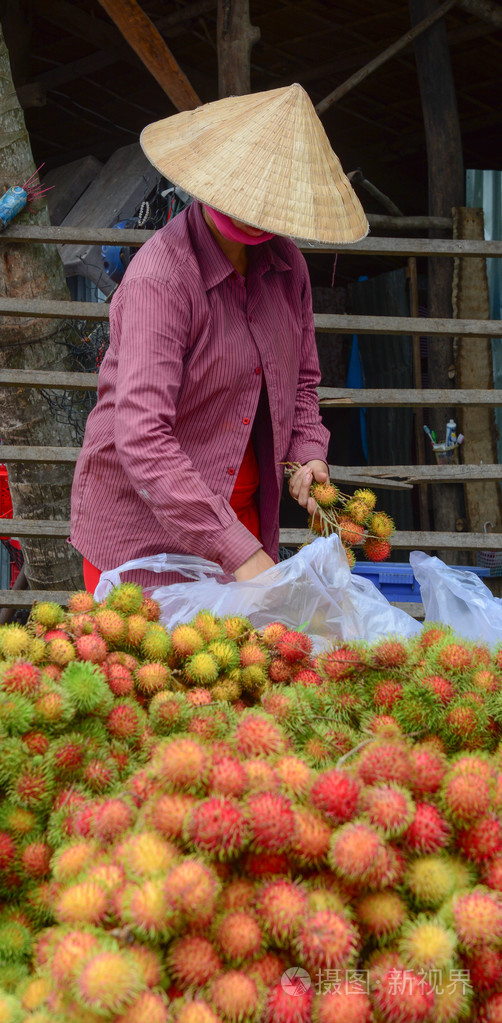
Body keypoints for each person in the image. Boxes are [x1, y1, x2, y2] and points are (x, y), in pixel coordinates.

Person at [70, 83, 368, 592]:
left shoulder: (287, 265)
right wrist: (243, 556)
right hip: (143, 539)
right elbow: (142, 438)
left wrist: (309, 449)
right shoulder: (161, 280)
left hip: (244, 521)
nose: (254, 215)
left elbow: (301, 383)